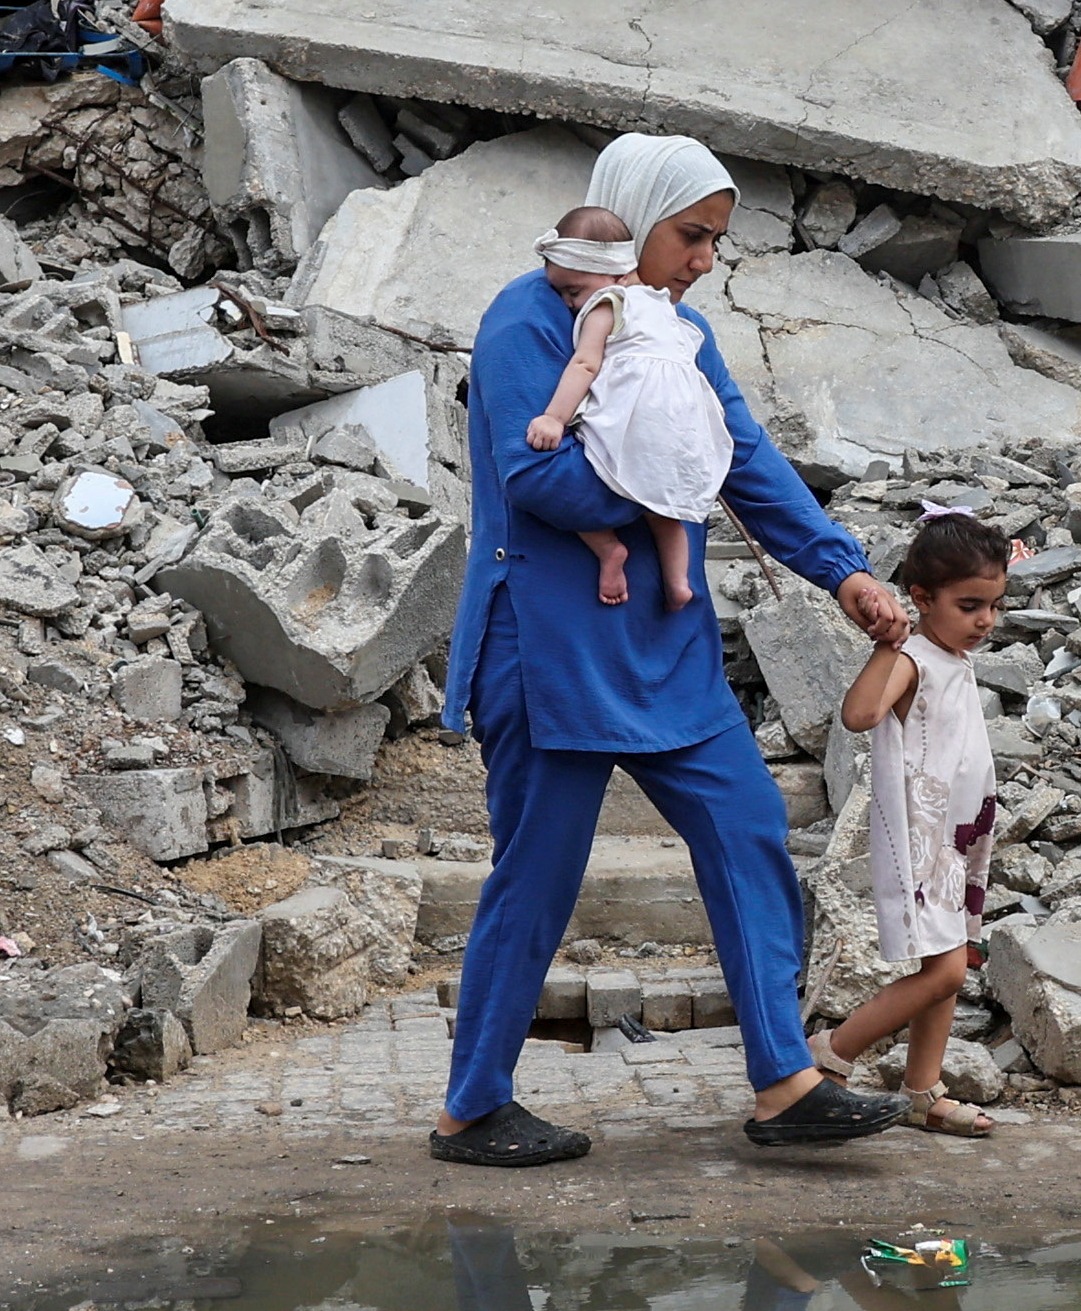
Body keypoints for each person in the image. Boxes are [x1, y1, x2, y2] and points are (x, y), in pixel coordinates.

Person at [433, 132, 915, 1170]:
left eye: (713, 241)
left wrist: (845, 571)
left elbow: (744, 455)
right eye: (691, 235)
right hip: (550, 645)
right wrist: (675, 479)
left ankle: (784, 1079)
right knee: (537, 878)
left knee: (746, 832)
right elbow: (539, 481)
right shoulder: (526, 317)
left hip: (664, 644)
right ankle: (472, 1106)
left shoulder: (676, 332)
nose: (704, 259)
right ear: (633, 217)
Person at [812, 506, 1013, 1136]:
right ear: (921, 599)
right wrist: (886, 646)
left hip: (961, 835)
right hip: (923, 839)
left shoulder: (953, 656)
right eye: (970, 605)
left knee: (949, 966)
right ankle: (829, 1055)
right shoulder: (915, 659)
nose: (985, 620)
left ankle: (923, 1089)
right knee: (947, 969)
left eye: (994, 606)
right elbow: (860, 714)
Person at [520, 202, 718, 613]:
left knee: (582, 475)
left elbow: (586, 363)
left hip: (638, 418)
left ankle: (608, 548)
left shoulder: (607, 302)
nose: (569, 303)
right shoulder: (663, 305)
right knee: (664, 509)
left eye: (574, 291)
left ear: (611, 274)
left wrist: (553, 418)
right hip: (682, 425)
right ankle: (679, 582)